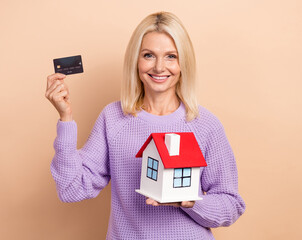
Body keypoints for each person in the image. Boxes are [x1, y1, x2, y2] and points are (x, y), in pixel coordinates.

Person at [45, 12, 245, 240]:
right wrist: (66, 118)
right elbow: (72, 189)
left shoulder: (205, 125)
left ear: (183, 64)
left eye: (171, 56)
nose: (160, 67)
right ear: (136, 61)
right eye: (149, 55)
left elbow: (230, 204)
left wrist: (189, 202)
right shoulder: (113, 118)